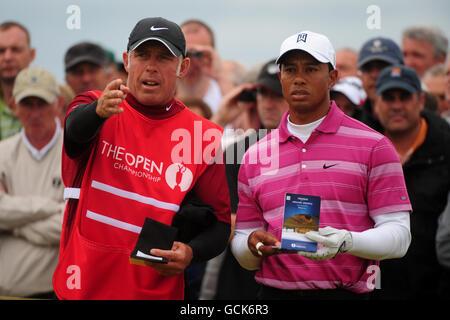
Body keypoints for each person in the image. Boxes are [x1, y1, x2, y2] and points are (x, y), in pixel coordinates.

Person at [52, 17, 231, 300]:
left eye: (164, 57)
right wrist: (98, 112)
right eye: (142, 55)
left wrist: (191, 252)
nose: (151, 66)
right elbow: (73, 137)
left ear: (182, 67)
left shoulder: (204, 136)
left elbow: (220, 225)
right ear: (126, 60)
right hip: (82, 288)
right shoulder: (94, 104)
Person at [231, 31, 412, 300]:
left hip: (344, 293)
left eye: (311, 69)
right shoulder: (256, 154)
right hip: (273, 293)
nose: (299, 78)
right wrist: (251, 245)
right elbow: (243, 245)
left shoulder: (374, 145)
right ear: (281, 77)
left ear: (332, 77)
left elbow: (399, 236)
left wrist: (348, 242)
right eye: (290, 69)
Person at [212, 58, 289, 300]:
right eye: (261, 94)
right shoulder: (239, 150)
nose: (267, 103)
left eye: (276, 95)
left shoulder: (313, 148)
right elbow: (231, 224)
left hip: (298, 273)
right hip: (244, 272)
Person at [371, 65, 450, 299]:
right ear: (376, 104)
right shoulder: (359, 149)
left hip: (433, 287)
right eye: (388, 97)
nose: (396, 105)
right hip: (373, 288)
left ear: (421, 100)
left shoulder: (446, 148)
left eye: (405, 97)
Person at [0, 66, 64, 298]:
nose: (35, 113)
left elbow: (72, 224)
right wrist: (51, 207)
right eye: (28, 104)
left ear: (58, 104)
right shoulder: (3, 153)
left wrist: (13, 224)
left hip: (57, 291)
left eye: (42, 103)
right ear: (14, 106)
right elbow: (63, 216)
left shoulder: (76, 153)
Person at [353, 37, 404, 132]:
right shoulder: (351, 124)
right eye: (367, 68)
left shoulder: (426, 123)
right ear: (360, 74)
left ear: (402, 69)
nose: (374, 75)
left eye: (383, 67)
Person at [176, 19, 223, 114]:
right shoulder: (160, 98)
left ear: (211, 55)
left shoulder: (223, 95)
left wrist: (219, 76)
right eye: (185, 54)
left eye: (198, 54)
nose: (190, 63)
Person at [0, 21, 35, 140]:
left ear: (31, 54)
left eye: (15, 49)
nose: (7, 57)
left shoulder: (52, 101)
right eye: (1, 51)